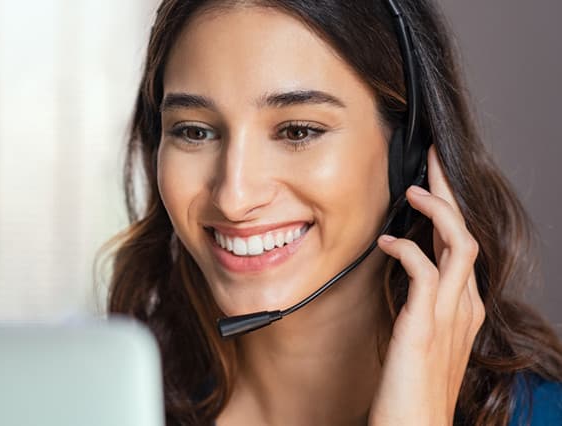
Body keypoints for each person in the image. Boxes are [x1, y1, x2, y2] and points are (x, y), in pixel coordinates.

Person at [104, 0, 562, 424]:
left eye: (298, 130)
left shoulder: (541, 413)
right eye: (195, 132)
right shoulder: (109, 403)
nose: (234, 198)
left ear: (409, 154)